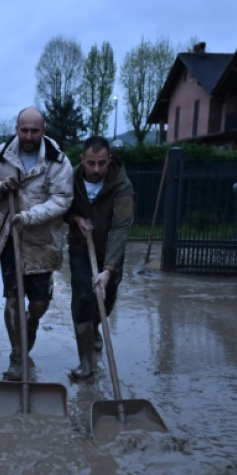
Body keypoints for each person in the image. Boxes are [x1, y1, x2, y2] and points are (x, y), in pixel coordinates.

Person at [0, 107, 74, 381]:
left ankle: (31, 323)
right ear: (17, 129)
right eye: (24, 130)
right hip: (10, 238)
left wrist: (28, 217)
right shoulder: (1, 154)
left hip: (43, 242)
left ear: (43, 131)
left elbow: (62, 200)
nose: (29, 135)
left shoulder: (57, 160)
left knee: (39, 302)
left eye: (35, 130)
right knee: (13, 297)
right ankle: (17, 356)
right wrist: (0, 188)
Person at [64, 135, 134, 381]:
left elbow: (121, 228)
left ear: (109, 160)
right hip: (81, 247)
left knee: (106, 298)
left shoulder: (122, 186)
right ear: (82, 159)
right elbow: (61, 208)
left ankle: (94, 328)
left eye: (101, 163)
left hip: (110, 251)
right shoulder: (70, 178)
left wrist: (108, 269)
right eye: (91, 163)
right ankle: (85, 362)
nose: (96, 170)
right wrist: (76, 219)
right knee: (83, 297)